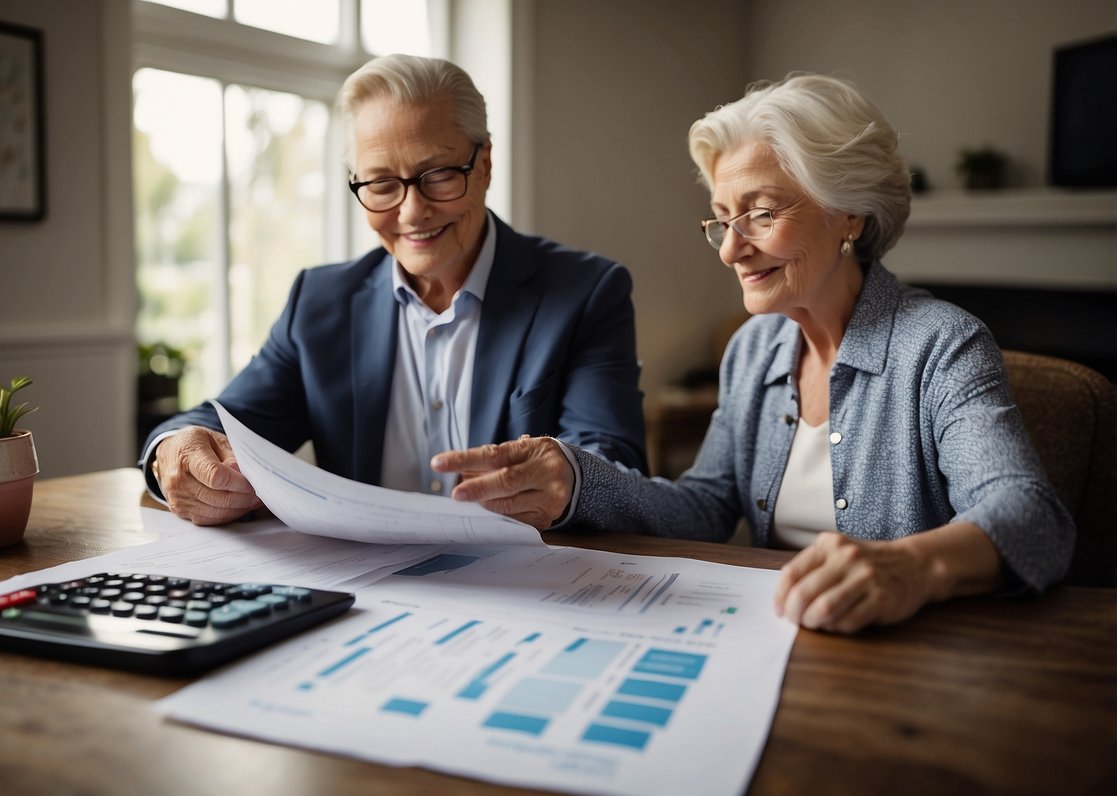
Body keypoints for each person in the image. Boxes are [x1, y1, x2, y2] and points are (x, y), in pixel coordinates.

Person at [432, 73, 1075, 634]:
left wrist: (909, 566)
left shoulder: (941, 346)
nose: (728, 250)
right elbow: (705, 510)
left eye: (760, 214)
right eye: (720, 218)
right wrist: (578, 482)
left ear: (848, 214)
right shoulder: (753, 351)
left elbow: (1030, 517)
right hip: (782, 643)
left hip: (914, 661)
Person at [140, 54, 647, 525]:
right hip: (362, 597)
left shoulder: (587, 292)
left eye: (439, 175)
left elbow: (613, 463)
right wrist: (172, 450)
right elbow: (225, 423)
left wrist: (568, 477)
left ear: (485, 165)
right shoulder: (319, 302)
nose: (411, 212)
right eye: (381, 184)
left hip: (532, 587)